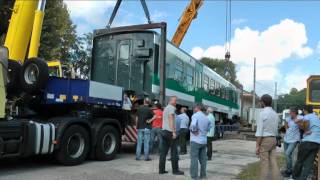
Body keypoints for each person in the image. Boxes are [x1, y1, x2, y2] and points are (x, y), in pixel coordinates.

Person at [255, 94, 281, 180]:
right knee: (273, 162)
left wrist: (257, 145)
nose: (260, 103)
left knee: (264, 163)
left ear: (263, 102)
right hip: (273, 138)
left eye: (260, 101)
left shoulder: (262, 113)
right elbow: (277, 128)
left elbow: (259, 131)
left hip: (265, 139)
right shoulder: (275, 114)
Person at [292, 105, 320, 180]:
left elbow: (302, 123)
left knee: (300, 161)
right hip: (317, 143)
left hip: (307, 142)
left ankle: (295, 177)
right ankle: (302, 178)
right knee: (309, 163)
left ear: (305, 110)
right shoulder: (317, 117)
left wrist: (306, 130)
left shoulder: (307, 116)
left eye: (303, 111)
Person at [159, 96, 184, 175]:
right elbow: (171, 119)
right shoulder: (171, 108)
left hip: (164, 131)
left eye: (176, 100)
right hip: (170, 132)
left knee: (163, 152)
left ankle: (161, 170)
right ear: (170, 100)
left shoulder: (166, 108)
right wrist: (173, 132)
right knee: (174, 152)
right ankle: (175, 170)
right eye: (175, 100)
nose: (176, 102)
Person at [189, 104, 212, 180]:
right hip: (203, 141)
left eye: (195, 107)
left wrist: (194, 131)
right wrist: (204, 132)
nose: (194, 109)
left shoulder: (195, 115)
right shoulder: (206, 117)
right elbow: (209, 127)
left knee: (194, 158)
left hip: (195, 140)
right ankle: (203, 175)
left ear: (198, 108)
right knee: (203, 159)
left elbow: (193, 125)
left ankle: (195, 176)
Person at [281, 107, 302, 177]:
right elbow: (285, 124)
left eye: (290, 112)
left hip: (294, 139)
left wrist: (298, 123)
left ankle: (290, 170)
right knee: (287, 155)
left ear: (294, 112)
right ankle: (288, 169)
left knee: (287, 154)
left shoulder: (300, 118)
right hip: (286, 139)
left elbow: (302, 127)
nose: (289, 113)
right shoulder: (288, 118)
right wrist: (287, 130)